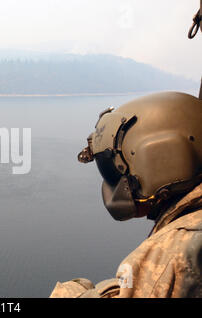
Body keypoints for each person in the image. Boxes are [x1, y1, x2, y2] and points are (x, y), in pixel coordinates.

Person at [50, 91, 202, 298]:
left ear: (158, 159)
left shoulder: (176, 249)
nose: (112, 180)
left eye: (115, 169)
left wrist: (71, 292)